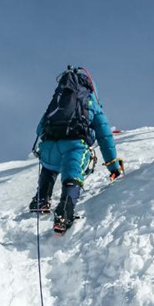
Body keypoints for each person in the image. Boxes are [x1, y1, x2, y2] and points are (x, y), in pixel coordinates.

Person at [29, 66, 122, 233]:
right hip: (74, 146)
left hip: (49, 148)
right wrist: (113, 165)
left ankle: (41, 199)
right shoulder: (90, 100)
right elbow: (104, 135)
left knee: (49, 168)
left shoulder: (58, 98)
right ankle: (64, 212)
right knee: (73, 172)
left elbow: (39, 129)